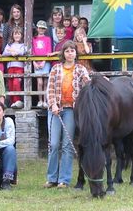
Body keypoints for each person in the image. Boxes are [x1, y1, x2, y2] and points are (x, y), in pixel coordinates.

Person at [44, 41, 90, 189]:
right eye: (67, 51)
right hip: (56, 110)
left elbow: (88, 82)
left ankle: (64, 179)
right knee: (54, 144)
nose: (70, 53)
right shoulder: (55, 69)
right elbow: (50, 89)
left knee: (67, 144)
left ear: (76, 53)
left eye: (72, 51)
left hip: (71, 110)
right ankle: (51, 178)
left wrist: (100, 81)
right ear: (63, 53)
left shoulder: (80, 69)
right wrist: (53, 104)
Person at [3, 27, 26, 109]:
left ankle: (18, 100)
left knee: (16, 82)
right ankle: (13, 102)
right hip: (10, 67)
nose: (17, 35)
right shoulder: (9, 45)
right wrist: (11, 52)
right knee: (10, 84)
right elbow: (4, 53)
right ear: (12, 35)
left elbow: (22, 52)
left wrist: (13, 52)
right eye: (15, 34)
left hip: (19, 67)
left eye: (18, 34)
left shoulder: (23, 45)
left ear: (21, 35)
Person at [32, 20, 52, 109]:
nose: (41, 30)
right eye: (40, 28)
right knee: (39, 82)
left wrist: (44, 61)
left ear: (45, 29)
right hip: (36, 62)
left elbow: (48, 50)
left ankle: (45, 100)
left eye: (43, 28)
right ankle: (40, 100)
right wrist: (34, 62)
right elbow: (32, 51)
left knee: (45, 82)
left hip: (46, 62)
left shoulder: (47, 39)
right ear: (37, 28)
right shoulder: (33, 39)